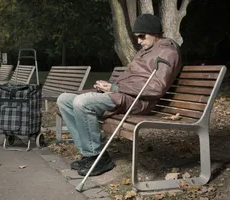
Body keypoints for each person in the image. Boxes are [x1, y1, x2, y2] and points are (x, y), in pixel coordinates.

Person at [56, 13, 182, 177]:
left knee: (82, 102)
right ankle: (89, 155)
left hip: (139, 101)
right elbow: (130, 77)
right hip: (122, 94)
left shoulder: (167, 53)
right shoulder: (145, 50)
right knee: (64, 100)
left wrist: (115, 88)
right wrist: (107, 86)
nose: (139, 41)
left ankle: (98, 157)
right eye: (137, 37)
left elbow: (157, 87)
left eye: (142, 36)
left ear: (155, 33)